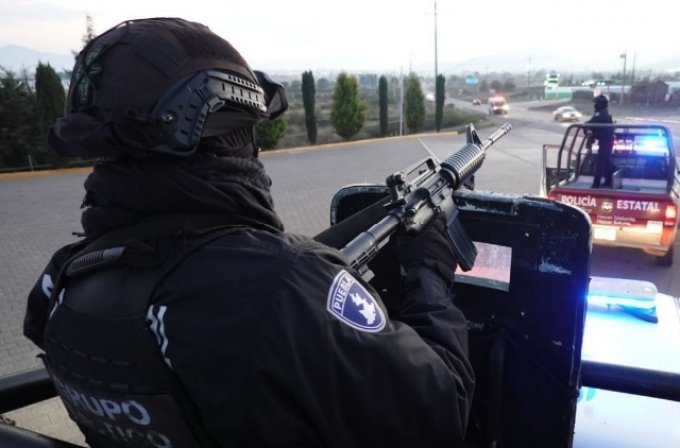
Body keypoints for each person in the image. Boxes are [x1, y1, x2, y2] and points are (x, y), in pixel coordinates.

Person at [23, 18, 474, 448]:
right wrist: (429, 271)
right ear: (226, 136)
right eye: (248, 134)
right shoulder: (281, 288)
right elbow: (441, 410)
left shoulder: (61, 282)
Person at [585, 93, 615, 188]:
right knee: (605, 161)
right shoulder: (604, 113)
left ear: (600, 104)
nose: (594, 105)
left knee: (601, 162)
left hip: (606, 141)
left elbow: (591, 124)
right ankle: (608, 180)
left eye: (596, 103)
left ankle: (596, 184)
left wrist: (586, 127)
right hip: (605, 141)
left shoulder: (602, 114)